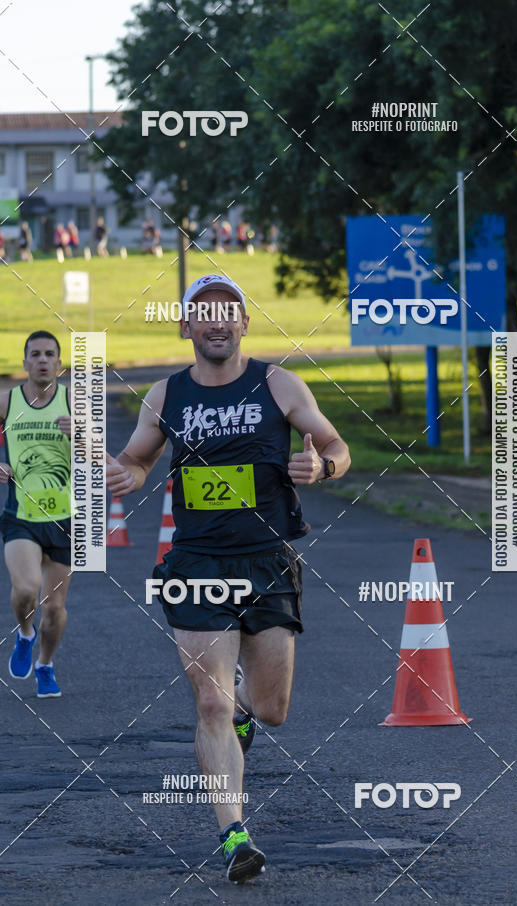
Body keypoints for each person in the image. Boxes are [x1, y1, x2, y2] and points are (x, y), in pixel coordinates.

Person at [106, 273, 350, 883]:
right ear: (186, 326)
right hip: (197, 564)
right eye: (203, 311)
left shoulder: (278, 383)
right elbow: (137, 458)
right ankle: (234, 834)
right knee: (209, 700)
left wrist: (322, 466)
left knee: (270, 709)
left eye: (228, 311)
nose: (216, 320)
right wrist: (126, 474)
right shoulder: (166, 394)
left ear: (244, 323)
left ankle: (245, 709)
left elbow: (335, 445)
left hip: (267, 561)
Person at [0, 331, 72, 698]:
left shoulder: (73, 401)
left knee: (54, 608)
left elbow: (101, 456)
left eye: (49, 354)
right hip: (21, 515)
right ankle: (25, 634)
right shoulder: (8, 401)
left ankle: (45, 664)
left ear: (58, 364)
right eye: (36, 354)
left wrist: (82, 435)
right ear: (25, 362)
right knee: (27, 588)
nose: (42, 360)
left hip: (65, 519)